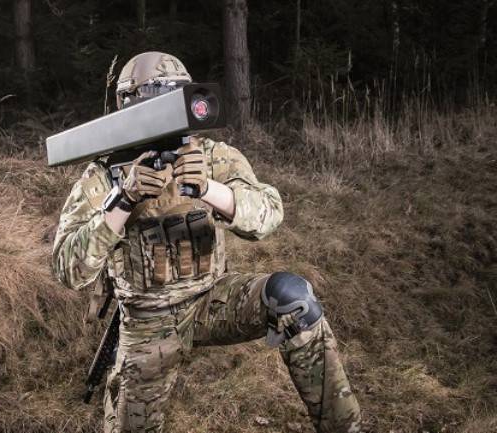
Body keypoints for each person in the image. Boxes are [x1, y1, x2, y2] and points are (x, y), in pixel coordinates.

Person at [52, 51, 361, 433]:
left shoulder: (212, 157)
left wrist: (209, 188)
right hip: (147, 321)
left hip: (211, 300)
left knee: (292, 298)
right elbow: (68, 270)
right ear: (129, 107)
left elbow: (269, 215)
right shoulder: (104, 175)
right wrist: (124, 200)